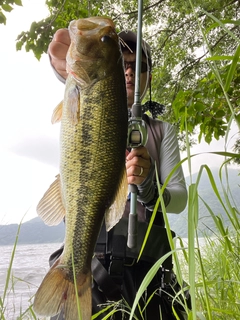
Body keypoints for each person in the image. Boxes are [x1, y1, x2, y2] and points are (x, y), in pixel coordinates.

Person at [47, 27, 190, 320]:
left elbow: (180, 199)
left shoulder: (162, 131)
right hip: (93, 269)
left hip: (148, 276)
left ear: (148, 77)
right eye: (122, 64)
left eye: (139, 67)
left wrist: (150, 187)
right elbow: (75, 75)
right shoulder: (84, 102)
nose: (129, 72)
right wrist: (63, 65)